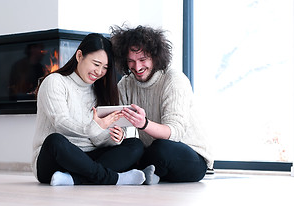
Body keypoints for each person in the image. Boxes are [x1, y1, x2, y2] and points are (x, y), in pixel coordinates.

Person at [32, 33, 148, 186]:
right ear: (79, 56)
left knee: (135, 145)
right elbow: (60, 123)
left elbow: (96, 138)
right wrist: (95, 127)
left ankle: (73, 179)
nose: (99, 72)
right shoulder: (54, 82)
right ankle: (114, 178)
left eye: (105, 67)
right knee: (55, 141)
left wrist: (113, 138)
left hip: (87, 158)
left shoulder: (99, 91)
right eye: (96, 64)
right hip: (56, 159)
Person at [110, 25, 213, 184]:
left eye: (143, 60)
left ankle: (143, 172)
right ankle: (149, 173)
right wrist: (117, 134)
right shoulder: (125, 84)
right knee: (132, 146)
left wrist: (143, 124)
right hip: (152, 152)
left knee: (161, 148)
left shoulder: (173, 79)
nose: (137, 67)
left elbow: (175, 133)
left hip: (190, 157)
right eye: (131, 61)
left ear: (155, 56)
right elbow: (119, 126)